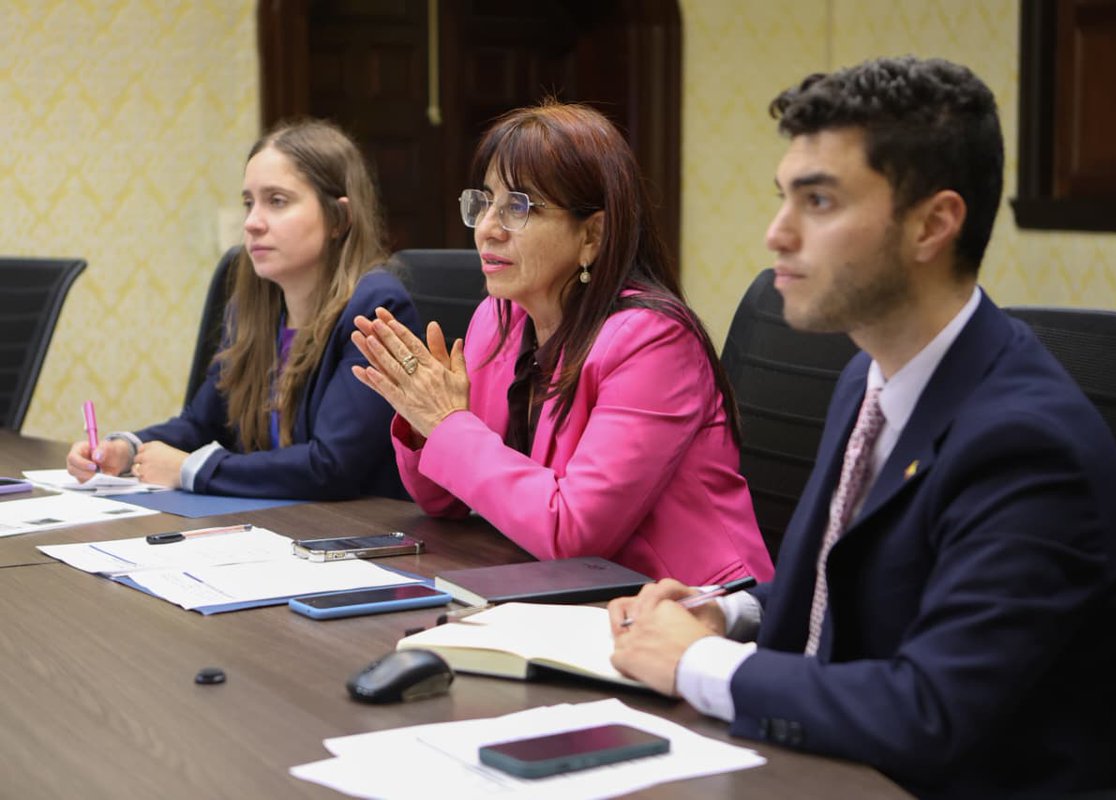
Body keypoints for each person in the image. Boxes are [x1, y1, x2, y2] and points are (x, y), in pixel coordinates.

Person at [608, 57, 1116, 799]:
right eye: (783, 199)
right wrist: (727, 610)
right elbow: (853, 576)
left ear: (933, 224)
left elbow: (929, 712)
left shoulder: (1030, 447)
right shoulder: (870, 374)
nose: (776, 235)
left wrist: (695, 664)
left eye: (818, 202)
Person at [350, 101, 773, 585]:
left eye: (518, 207)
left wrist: (450, 425)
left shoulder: (654, 342)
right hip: (565, 591)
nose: (488, 227)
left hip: (688, 609)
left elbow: (574, 532)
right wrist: (428, 422)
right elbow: (442, 501)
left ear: (592, 235)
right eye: (484, 202)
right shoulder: (501, 318)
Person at [66, 119, 416, 499]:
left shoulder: (377, 307)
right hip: (272, 529)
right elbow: (201, 424)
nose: (252, 223)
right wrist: (127, 449)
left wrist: (190, 470)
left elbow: (331, 466)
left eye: (277, 201)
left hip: (353, 537)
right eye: (249, 203)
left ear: (339, 218)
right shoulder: (252, 310)